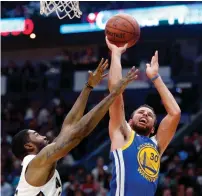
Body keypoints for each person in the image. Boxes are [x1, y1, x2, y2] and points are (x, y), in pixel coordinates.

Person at [12, 58, 139, 196]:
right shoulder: (35, 163)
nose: (43, 135)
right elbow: (77, 134)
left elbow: (69, 126)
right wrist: (113, 94)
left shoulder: (41, 161)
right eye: (36, 135)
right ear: (29, 146)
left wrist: (88, 87)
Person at [105, 37, 181, 196]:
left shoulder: (156, 146)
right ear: (130, 120)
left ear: (153, 127)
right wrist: (116, 54)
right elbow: (115, 93)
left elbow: (175, 113)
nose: (145, 114)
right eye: (141, 112)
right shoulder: (123, 133)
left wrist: (155, 77)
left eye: (150, 115)